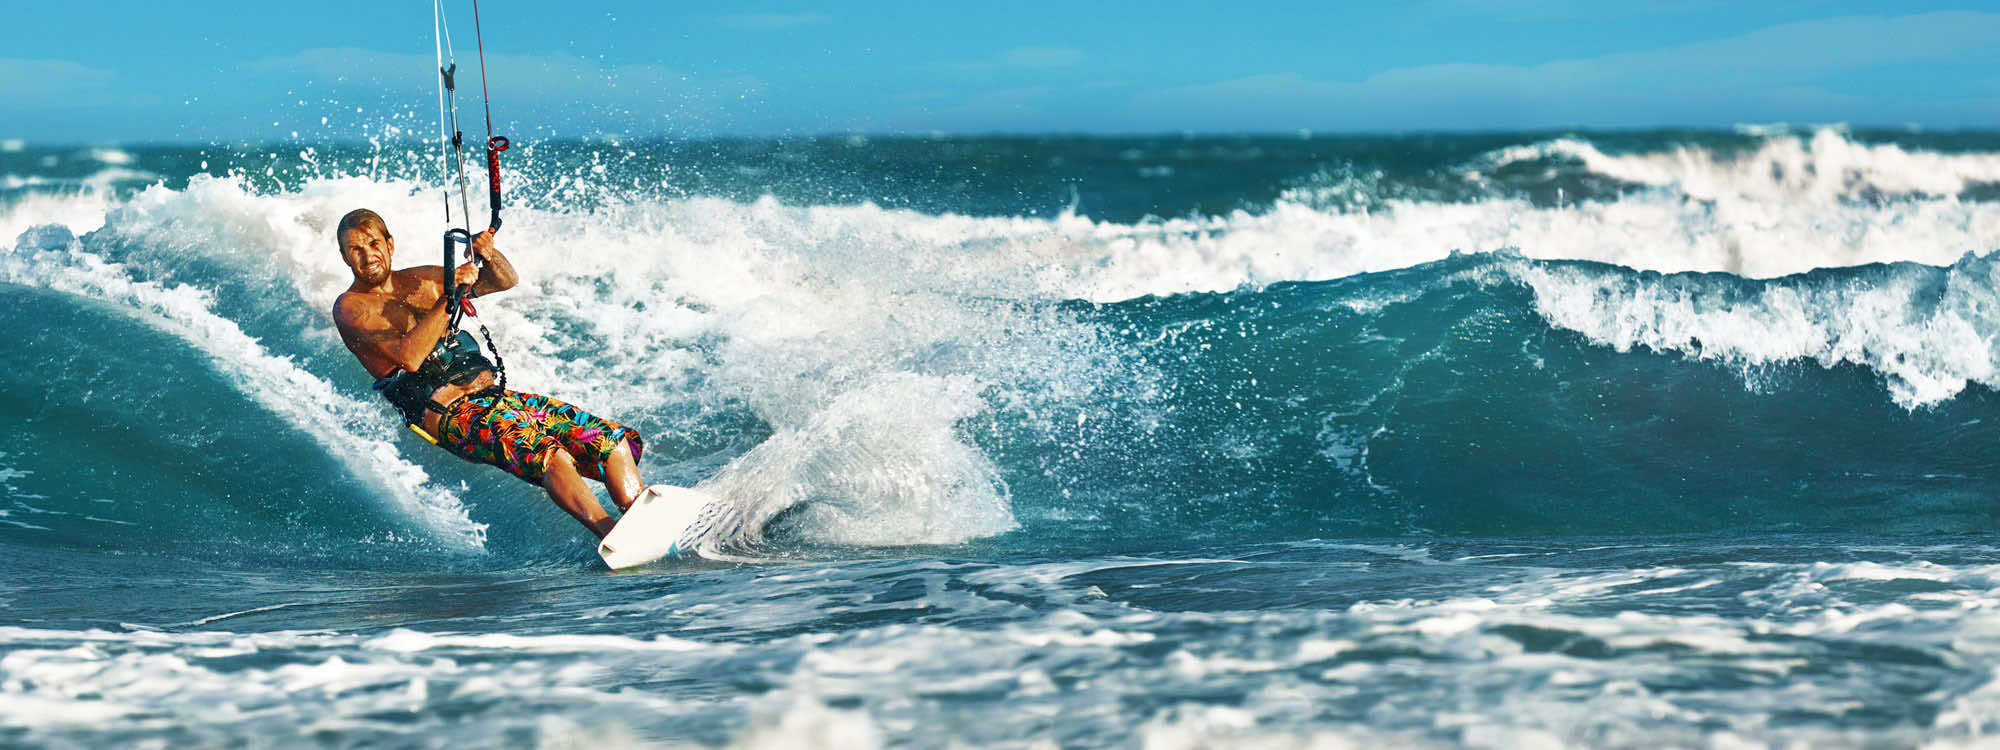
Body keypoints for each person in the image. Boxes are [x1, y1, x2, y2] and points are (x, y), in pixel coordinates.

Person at [331, 208, 643, 539]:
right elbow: (410, 357)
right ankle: (613, 535)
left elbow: (504, 280)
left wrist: (488, 256)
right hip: (451, 413)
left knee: (609, 441)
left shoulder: (423, 279)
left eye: (373, 243)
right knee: (550, 455)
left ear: (390, 243)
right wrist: (450, 298)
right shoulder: (351, 307)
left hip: (494, 399)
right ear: (344, 257)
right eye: (356, 250)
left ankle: (642, 520)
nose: (368, 256)